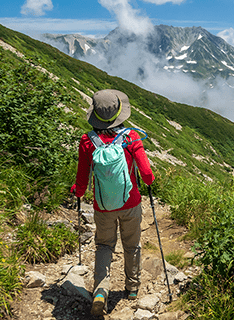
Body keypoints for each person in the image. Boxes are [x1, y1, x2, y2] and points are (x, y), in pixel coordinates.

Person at [71, 89, 155, 316]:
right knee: (132, 244)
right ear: (120, 112)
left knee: (104, 245)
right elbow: (146, 174)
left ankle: (100, 292)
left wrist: (78, 193)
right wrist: (149, 180)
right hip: (131, 203)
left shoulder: (87, 141)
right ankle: (132, 288)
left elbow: (82, 178)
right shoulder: (131, 137)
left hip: (103, 206)